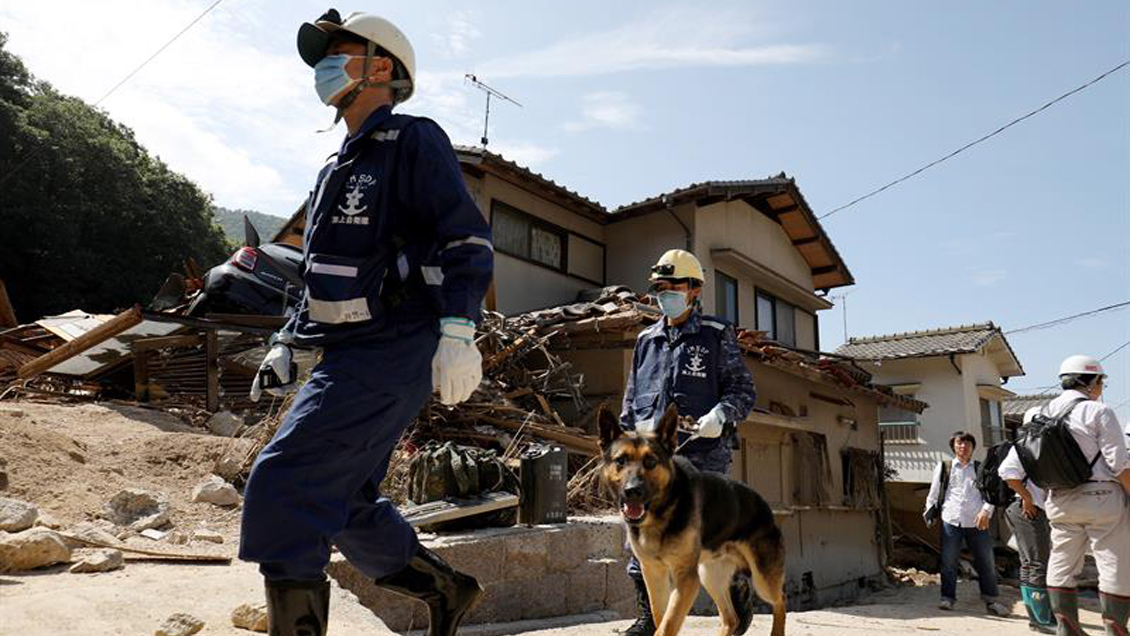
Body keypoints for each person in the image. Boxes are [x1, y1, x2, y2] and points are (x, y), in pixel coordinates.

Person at [238, 9, 494, 636]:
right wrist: (289, 343)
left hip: (396, 343)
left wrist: (460, 329)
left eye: (339, 53)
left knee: (286, 482)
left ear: (381, 68)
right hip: (347, 351)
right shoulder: (334, 170)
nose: (325, 68)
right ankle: (448, 589)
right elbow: (321, 273)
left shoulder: (412, 140)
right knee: (344, 498)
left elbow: (465, 239)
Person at [617, 249, 757, 636]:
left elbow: (743, 390)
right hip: (650, 462)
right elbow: (631, 399)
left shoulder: (714, 333)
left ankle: (736, 597)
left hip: (703, 457)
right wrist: (630, 434)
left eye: (673, 286)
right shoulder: (646, 339)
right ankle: (652, 618)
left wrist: (722, 415)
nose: (665, 293)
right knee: (641, 539)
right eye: (659, 287)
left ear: (694, 289)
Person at [1042, 355, 1130, 636]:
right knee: (1113, 562)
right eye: (1101, 380)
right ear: (1089, 381)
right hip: (1101, 496)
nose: (1102, 386)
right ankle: (1115, 629)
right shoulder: (1098, 411)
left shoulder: (1044, 411)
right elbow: (1119, 464)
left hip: (1059, 498)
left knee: (1062, 561)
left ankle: (1066, 628)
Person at [923, 431, 1010, 616]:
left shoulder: (980, 468)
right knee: (948, 562)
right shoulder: (944, 467)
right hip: (951, 520)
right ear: (953, 446)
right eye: (959, 443)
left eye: (967, 444)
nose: (963, 447)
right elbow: (934, 492)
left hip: (977, 523)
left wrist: (986, 512)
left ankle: (991, 600)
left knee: (986, 562)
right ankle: (947, 598)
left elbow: (990, 496)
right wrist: (929, 512)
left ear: (972, 447)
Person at [999, 407, 1056, 633]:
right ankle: (1042, 619)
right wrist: (1028, 498)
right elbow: (1007, 473)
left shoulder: (1036, 447)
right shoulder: (1025, 446)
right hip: (1026, 510)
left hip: (1027, 509)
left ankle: (1035, 616)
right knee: (1038, 563)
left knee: (1029, 563)